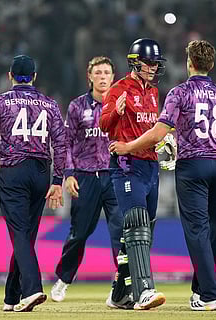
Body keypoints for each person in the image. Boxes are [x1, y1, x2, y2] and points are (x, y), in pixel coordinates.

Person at [109, 40, 216, 311]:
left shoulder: (179, 92)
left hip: (193, 166)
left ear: (190, 63)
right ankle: (201, 291)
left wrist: (128, 147)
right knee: (214, 228)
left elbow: (158, 132)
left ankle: (211, 293)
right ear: (211, 64)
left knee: (197, 229)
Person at [0, 54, 66, 312]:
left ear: (10, 76)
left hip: (13, 171)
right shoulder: (50, 104)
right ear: (35, 77)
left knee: (19, 235)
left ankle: (32, 289)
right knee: (26, 236)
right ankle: (11, 296)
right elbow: (61, 145)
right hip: (40, 172)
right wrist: (58, 180)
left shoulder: (0, 102)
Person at [99, 38, 167, 310]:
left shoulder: (153, 92)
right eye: (149, 63)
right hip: (126, 165)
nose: (153, 68)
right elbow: (104, 124)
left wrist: (164, 143)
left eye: (155, 63)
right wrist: (116, 112)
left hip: (150, 166)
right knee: (137, 224)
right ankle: (144, 292)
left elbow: (151, 129)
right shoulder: (118, 89)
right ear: (135, 63)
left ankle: (118, 294)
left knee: (143, 232)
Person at [50, 56, 123, 302]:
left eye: (107, 73)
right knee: (79, 233)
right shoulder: (77, 106)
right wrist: (68, 175)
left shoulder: (121, 104)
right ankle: (63, 279)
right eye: (98, 72)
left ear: (113, 77)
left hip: (114, 176)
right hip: (85, 178)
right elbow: (66, 142)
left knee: (121, 231)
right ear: (89, 76)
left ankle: (121, 282)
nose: (103, 77)